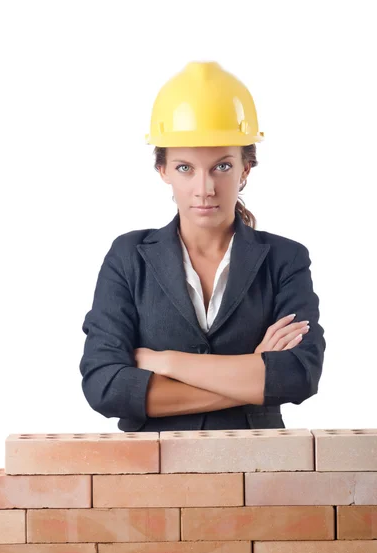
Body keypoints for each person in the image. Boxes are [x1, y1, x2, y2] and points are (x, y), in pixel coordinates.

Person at [79, 61, 326, 432]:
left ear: (246, 168)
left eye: (222, 166)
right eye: (185, 168)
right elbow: (106, 387)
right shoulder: (129, 257)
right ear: (162, 170)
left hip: (258, 466)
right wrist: (252, 374)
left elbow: (298, 375)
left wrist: (167, 362)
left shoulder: (285, 260)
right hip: (150, 473)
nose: (205, 188)